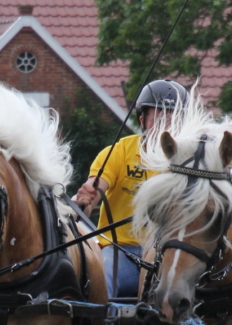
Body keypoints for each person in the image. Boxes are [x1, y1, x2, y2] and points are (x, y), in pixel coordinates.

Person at [74, 79, 189, 297]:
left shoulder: (189, 162)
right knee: (99, 278)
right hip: (118, 251)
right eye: (159, 118)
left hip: (167, 253)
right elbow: (95, 187)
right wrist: (86, 200)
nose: (166, 127)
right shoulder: (120, 151)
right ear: (142, 120)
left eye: (173, 119)